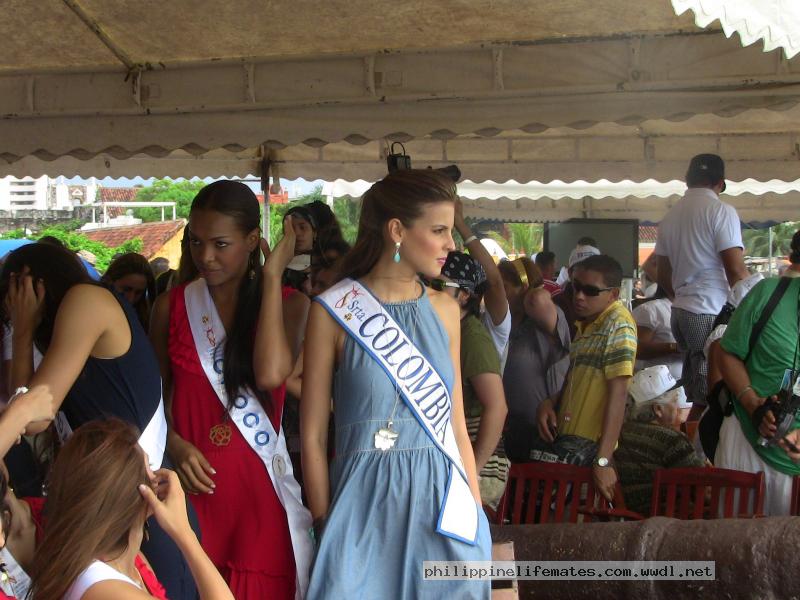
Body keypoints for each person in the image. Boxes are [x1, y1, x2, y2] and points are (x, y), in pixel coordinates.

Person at [302, 169, 491, 599]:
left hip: (444, 508)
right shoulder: (332, 311)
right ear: (397, 231)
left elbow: (457, 426)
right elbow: (313, 435)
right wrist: (323, 521)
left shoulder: (446, 310)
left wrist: (476, 516)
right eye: (440, 230)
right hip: (360, 510)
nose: (451, 245)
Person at [0, 243, 196, 600]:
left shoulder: (85, 300)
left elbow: (32, 417)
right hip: (113, 498)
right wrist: (25, 331)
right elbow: (25, 403)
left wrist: (24, 327)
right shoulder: (73, 316)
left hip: (140, 496)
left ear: (31, 286)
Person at [149, 180, 312, 599]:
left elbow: (273, 375)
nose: (205, 256)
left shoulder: (291, 305)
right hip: (187, 497)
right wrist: (177, 445)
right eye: (196, 243)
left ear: (253, 240)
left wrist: (273, 274)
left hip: (257, 499)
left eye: (220, 244)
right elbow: (155, 394)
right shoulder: (172, 306)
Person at [27, 418, 234, 600]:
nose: (156, 477)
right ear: (144, 494)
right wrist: (184, 532)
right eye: (150, 467)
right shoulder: (105, 587)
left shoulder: (127, 559)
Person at [537, 255, 637, 501]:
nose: (579, 296)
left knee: (571, 529)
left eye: (590, 291)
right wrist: (550, 402)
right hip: (568, 445)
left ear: (613, 294)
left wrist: (602, 461)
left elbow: (619, 394)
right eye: (575, 287)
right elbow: (575, 380)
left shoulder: (618, 325)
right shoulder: (587, 325)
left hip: (590, 452)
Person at [656, 153, 749, 409]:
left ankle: (694, 443)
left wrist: (683, 295)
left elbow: (660, 271)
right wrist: (756, 304)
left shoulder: (670, 216)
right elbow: (736, 270)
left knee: (696, 388)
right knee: (713, 391)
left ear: (687, 180)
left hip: (681, 312)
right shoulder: (721, 211)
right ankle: (704, 448)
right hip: (709, 309)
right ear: (720, 183)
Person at [716, 268, 800, 515]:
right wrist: (753, 405)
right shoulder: (769, 293)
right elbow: (727, 353)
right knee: (732, 541)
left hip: (793, 460)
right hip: (745, 441)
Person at [440, 251, 508, 509]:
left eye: (438, 285)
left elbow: (497, 407)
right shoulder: (449, 329)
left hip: (478, 466)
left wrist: (472, 470)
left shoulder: (472, 337)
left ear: (465, 294)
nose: (428, 292)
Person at [614, 366, 702, 516]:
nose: (678, 405)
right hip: (666, 521)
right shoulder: (672, 440)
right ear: (658, 409)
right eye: (675, 400)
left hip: (626, 517)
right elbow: (701, 488)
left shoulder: (618, 434)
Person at [502, 275, 571, 463]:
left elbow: (537, 299)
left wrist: (530, 287)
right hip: (507, 425)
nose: (499, 292)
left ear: (523, 287)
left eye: (504, 286)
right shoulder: (500, 324)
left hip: (540, 426)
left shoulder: (544, 320)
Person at [452, 199, 510, 363]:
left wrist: (460, 224)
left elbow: (495, 283)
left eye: (439, 286)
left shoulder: (489, 325)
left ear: (464, 293)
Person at [632, 286, 682, 380]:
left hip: (684, 384)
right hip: (653, 386)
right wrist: (674, 347)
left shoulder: (693, 310)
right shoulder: (650, 309)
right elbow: (637, 349)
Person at [554, 244, 601, 338]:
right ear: (570, 273)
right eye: (582, 269)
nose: (588, 274)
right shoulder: (557, 305)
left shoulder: (610, 305)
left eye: (594, 269)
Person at [102, 253, 157, 331]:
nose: (131, 298)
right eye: (126, 289)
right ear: (109, 281)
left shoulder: (144, 319)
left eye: (138, 293)